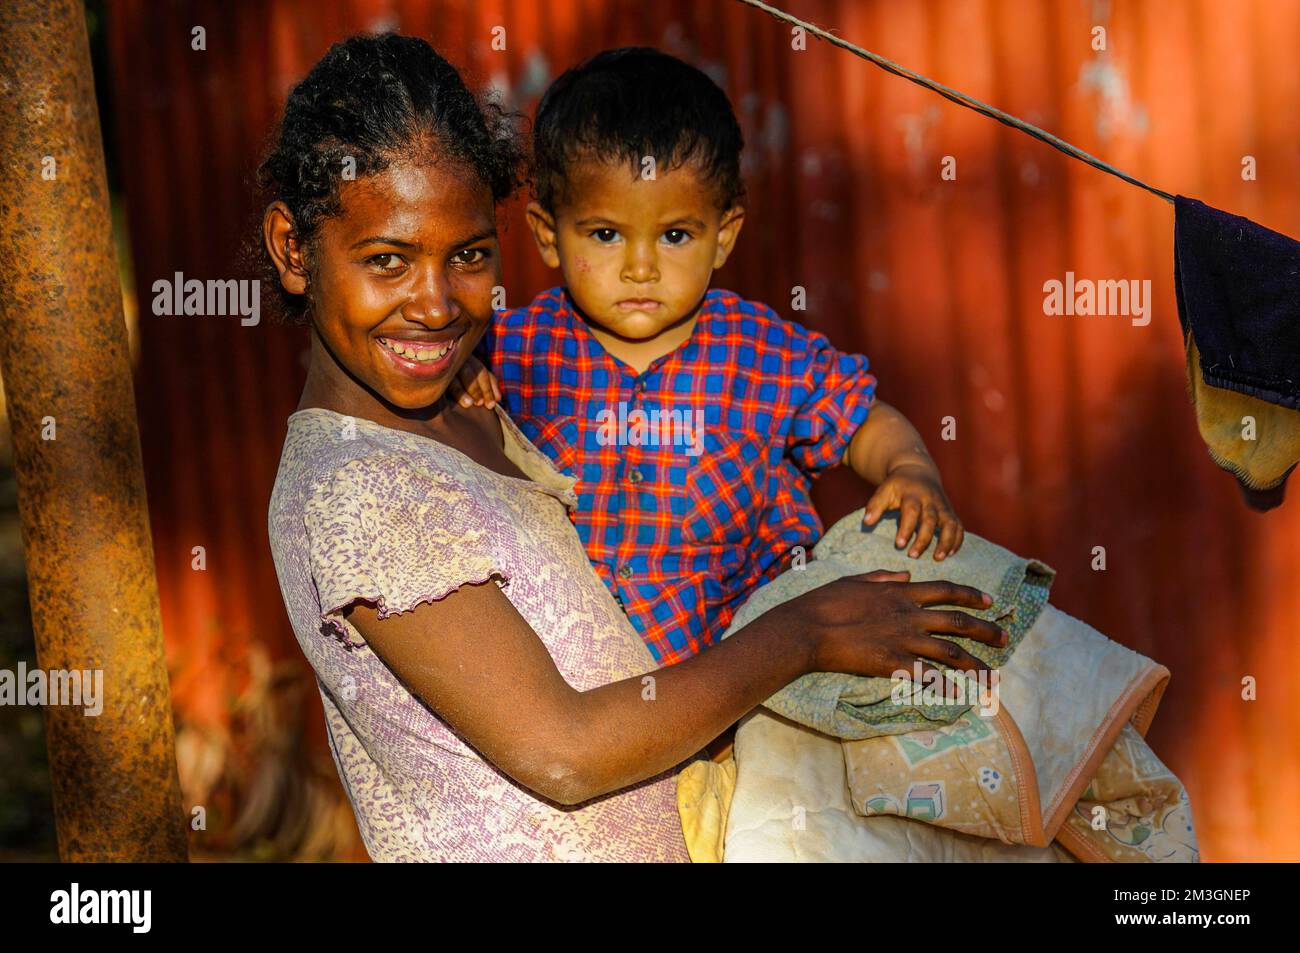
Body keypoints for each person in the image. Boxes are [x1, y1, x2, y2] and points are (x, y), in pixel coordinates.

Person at [264, 33, 1005, 862]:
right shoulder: (359, 486)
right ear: (294, 249)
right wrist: (805, 632)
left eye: (469, 255)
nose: (435, 305)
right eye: (387, 260)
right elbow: (564, 752)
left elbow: (852, 415)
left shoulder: (475, 390)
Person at [469, 47, 966, 666]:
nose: (641, 268)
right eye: (605, 234)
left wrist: (910, 468)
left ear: (722, 235)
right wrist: (469, 385)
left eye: (675, 235)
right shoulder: (512, 350)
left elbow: (859, 416)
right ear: (549, 235)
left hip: (750, 674)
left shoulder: (760, 353)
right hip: (581, 680)